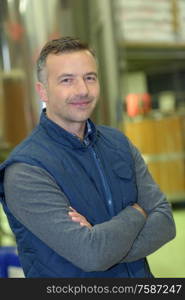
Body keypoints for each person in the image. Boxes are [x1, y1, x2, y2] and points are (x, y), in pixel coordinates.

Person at [0, 36, 176, 278]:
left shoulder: (118, 143)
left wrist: (106, 247)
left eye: (89, 78)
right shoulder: (25, 170)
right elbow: (91, 255)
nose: (82, 90)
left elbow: (165, 222)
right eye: (67, 80)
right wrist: (138, 212)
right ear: (43, 91)